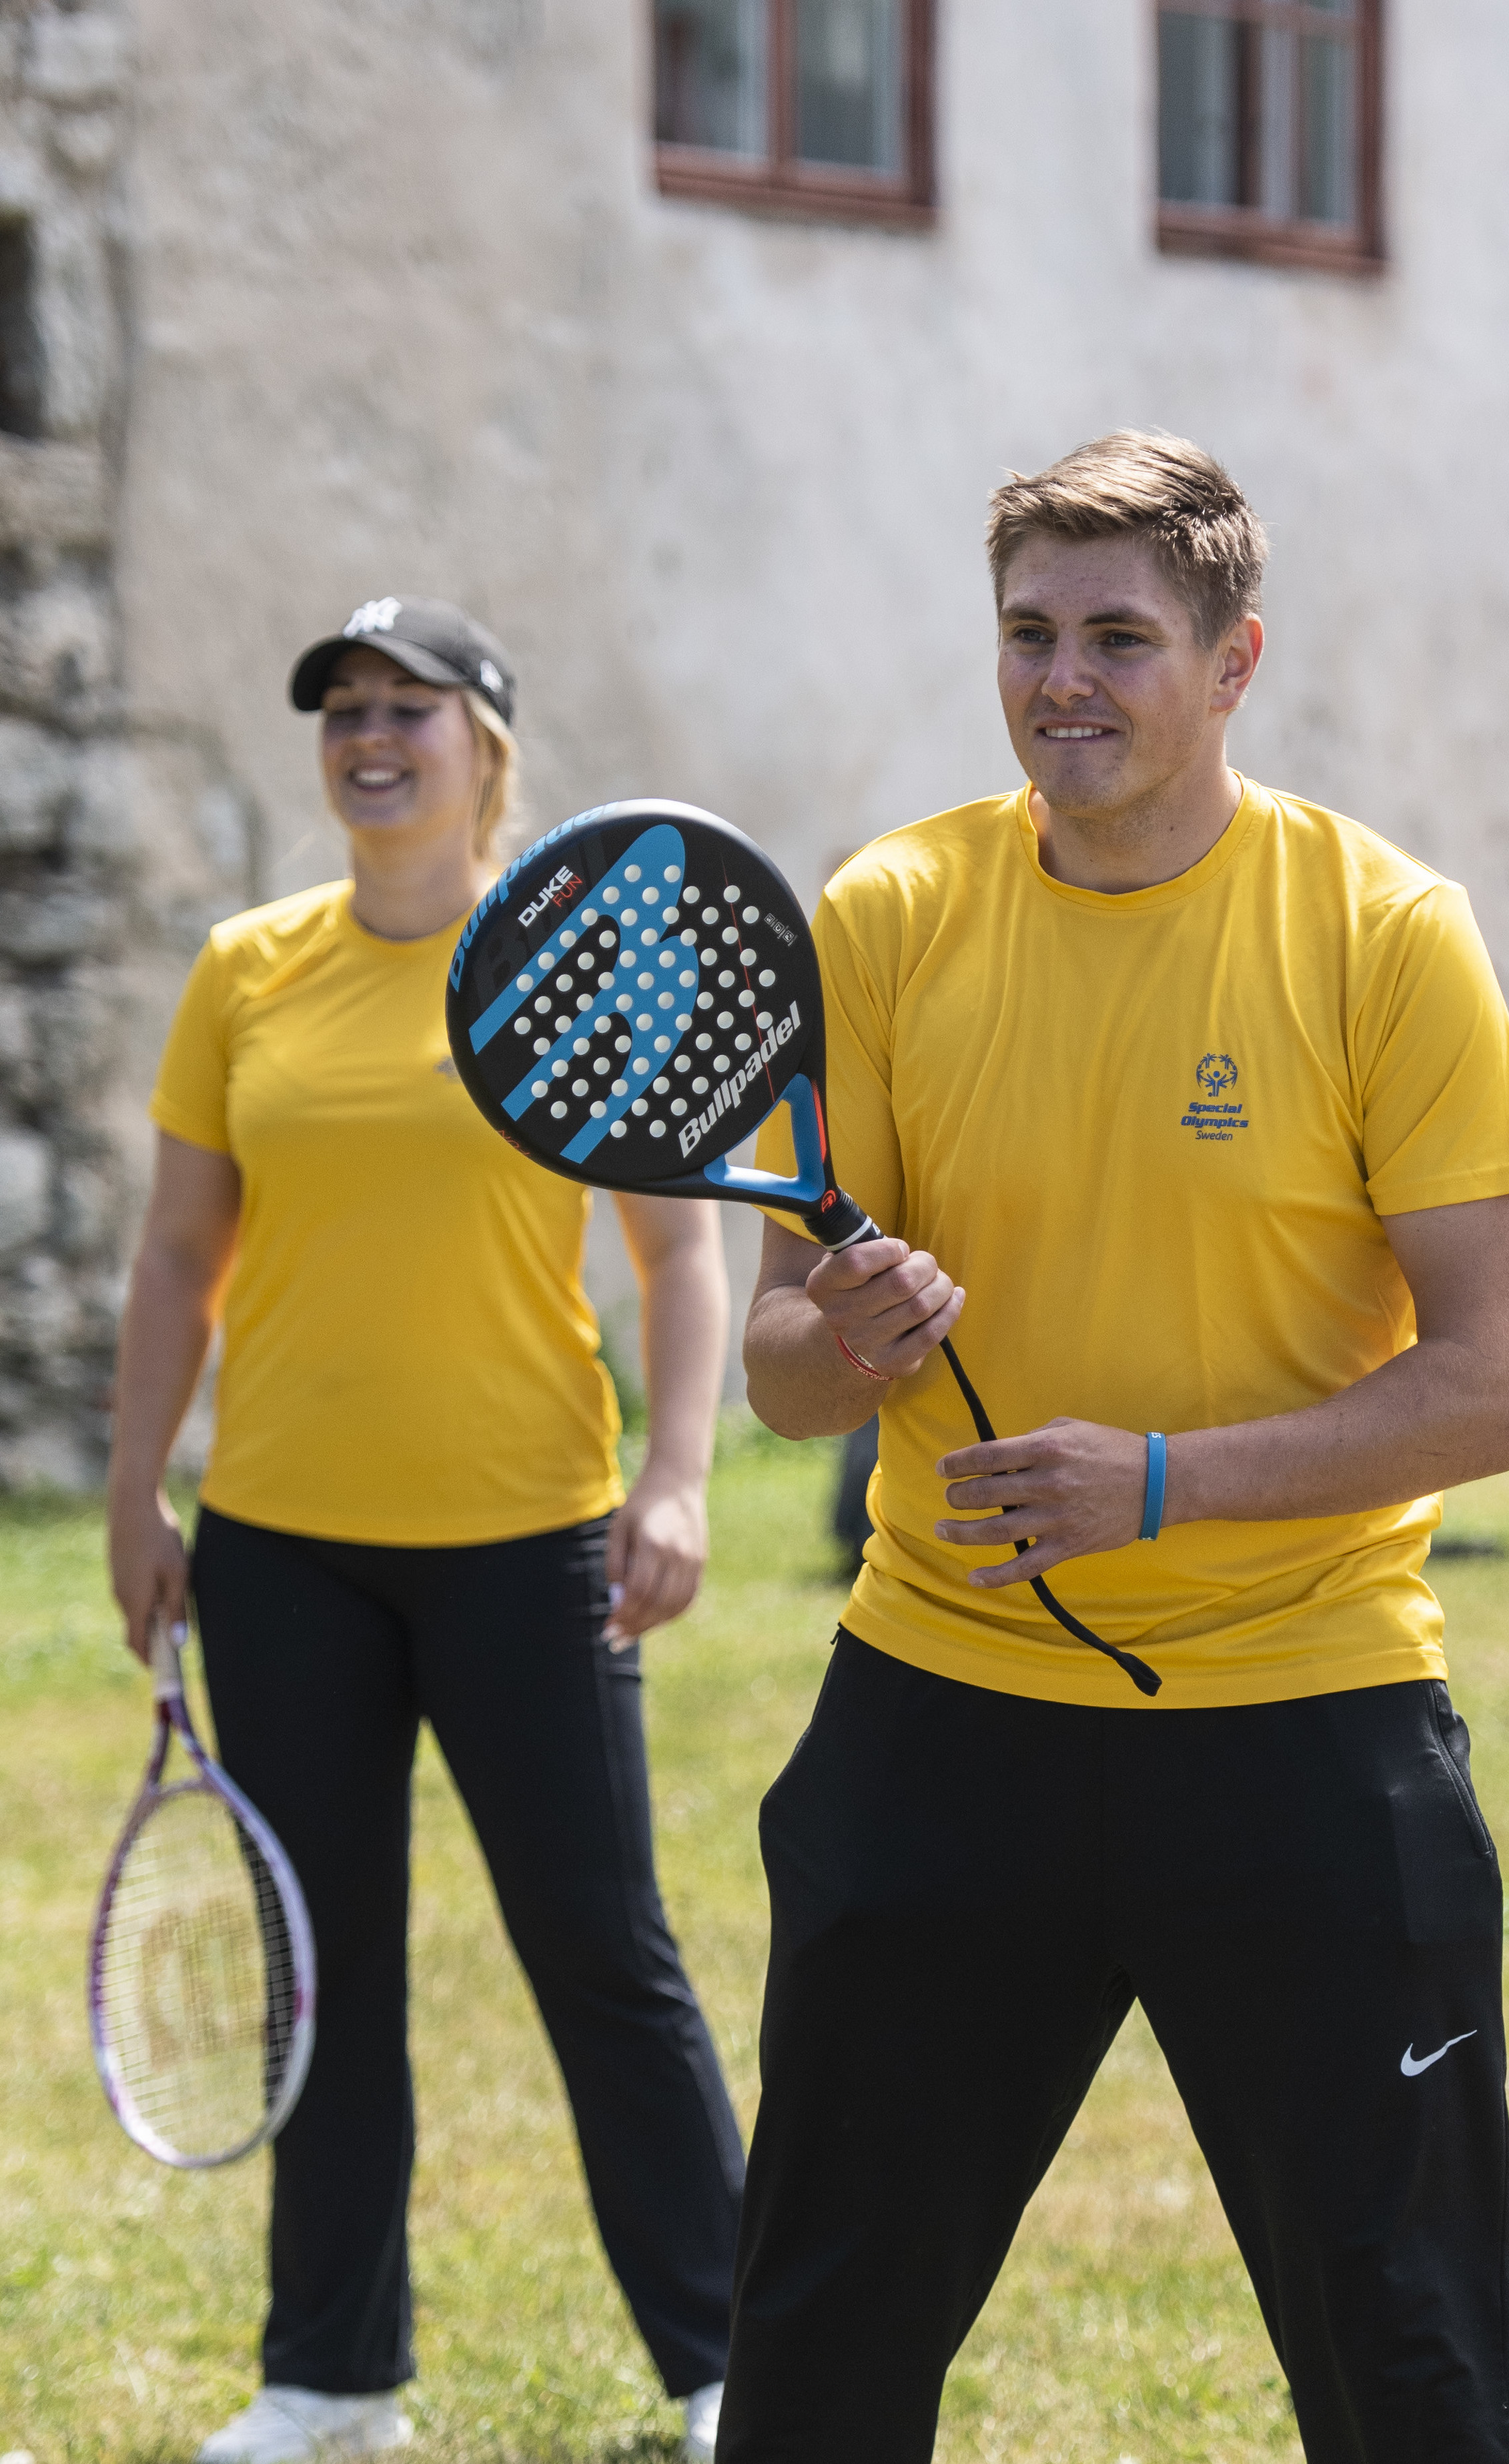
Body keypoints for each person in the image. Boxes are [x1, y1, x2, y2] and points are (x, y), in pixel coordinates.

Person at [729, 434, 1509, 2462]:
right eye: (1027, 634)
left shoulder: (1383, 932)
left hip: (1306, 1726)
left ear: (1235, 658)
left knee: (1413, 2365)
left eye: (1118, 636)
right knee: (823, 2343)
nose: (1062, 681)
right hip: (940, 1714)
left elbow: (1500, 1384)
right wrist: (848, 1336)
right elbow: (779, 1371)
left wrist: (1165, 1483)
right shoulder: (895, 911)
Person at [106, 598, 742, 2464]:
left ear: (489, 749)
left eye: (414, 710)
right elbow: (171, 1258)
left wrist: (680, 1474)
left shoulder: (558, 970)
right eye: (346, 713)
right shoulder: (247, 972)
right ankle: (331, 2383)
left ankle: (730, 2374)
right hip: (282, 1550)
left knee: (601, 1952)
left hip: (530, 1546)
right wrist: (143, 1488)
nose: (373, 739)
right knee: (325, 1970)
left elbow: (682, 1251)